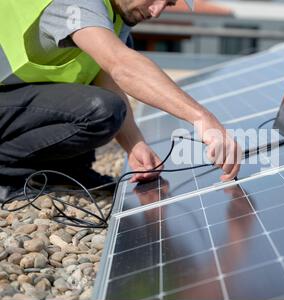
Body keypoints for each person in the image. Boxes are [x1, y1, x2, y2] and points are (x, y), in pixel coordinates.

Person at [0, 0, 242, 202]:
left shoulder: (115, 16)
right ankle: (5, 174)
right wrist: (202, 118)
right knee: (100, 111)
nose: (156, 11)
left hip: (13, 99)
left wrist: (135, 145)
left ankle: (65, 171)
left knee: (104, 108)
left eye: (167, 4)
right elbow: (121, 65)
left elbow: (104, 77)